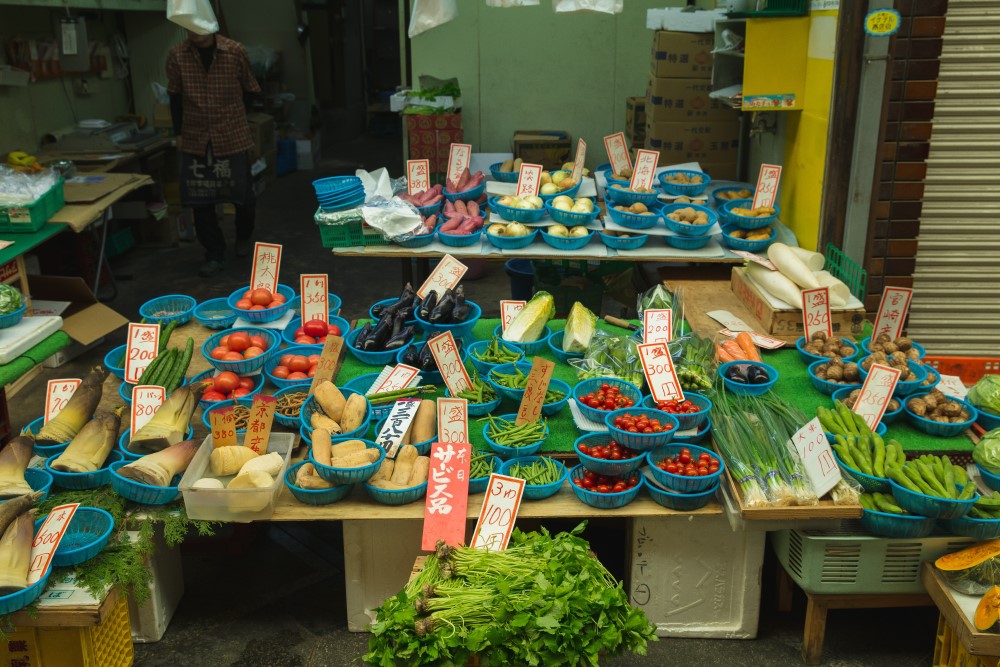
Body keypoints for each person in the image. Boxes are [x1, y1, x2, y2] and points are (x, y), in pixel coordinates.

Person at [166, 24, 261, 277]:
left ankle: (243, 237)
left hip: (232, 135)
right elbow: (174, 96)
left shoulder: (234, 51)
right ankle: (214, 253)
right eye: (189, 26)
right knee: (201, 201)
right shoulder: (177, 55)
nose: (195, 31)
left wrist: (236, 116)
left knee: (244, 197)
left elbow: (251, 89)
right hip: (196, 137)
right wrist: (179, 133)